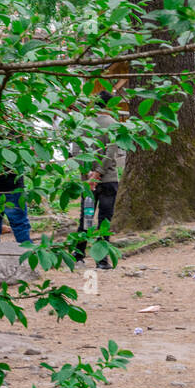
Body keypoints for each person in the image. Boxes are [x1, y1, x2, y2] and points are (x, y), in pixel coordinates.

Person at [76, 91, 123, 270]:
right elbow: (111, 152)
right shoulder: (113, 124)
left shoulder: (83, 125)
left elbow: (76, 152)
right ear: (108, 105)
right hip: (108, 180)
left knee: (86, 218)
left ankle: (78, 255)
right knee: (105, 219)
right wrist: (99, 173)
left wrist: (88, 174)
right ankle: (101, 260)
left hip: (87, 182)